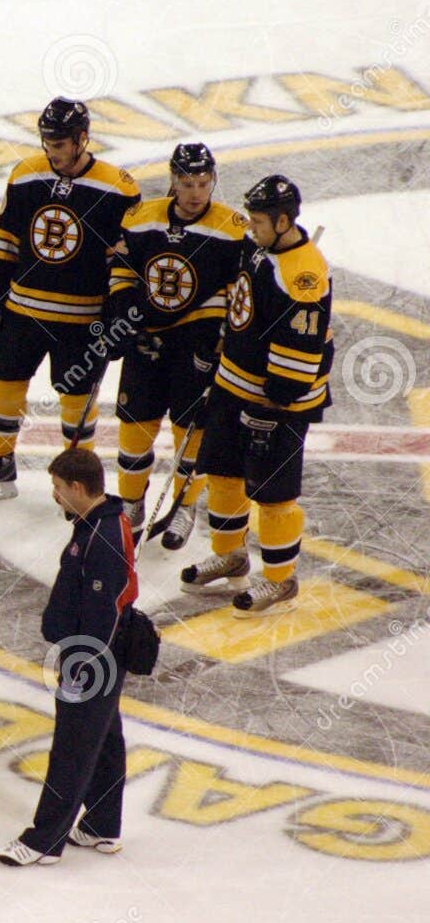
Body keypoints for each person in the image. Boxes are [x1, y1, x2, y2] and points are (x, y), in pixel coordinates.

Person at [0, 97, 140, 500]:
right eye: (47, 142)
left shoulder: (117, 187)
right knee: (4, 380)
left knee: (75, 397)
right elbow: (6, 239)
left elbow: (124, 259)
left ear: (82, 139)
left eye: (58, 143)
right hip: (23, 310)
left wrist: (119, 310)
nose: (50, 151)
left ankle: (78, 478)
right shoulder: (25, 175)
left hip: (81, 318)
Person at [180, 174, 333, 616]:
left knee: (273, 493)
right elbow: (242, 309)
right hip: (233, 385)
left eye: (260, 221)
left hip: (276, 402)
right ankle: (230, 554)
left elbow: (304, 342)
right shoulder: (259, 246)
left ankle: (280, 581)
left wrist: (276, 400)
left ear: (283, 221)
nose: (251, 227)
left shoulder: (302, 272)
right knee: (224, 473)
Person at [0, 448, 136, 866]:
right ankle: (102, 826)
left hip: (93, 660)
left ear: (77, 486)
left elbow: (101, 613)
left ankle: (41, 843)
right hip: (95, 655)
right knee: (105, 740)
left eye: (58, 487)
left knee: (71, 750)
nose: (54, 495)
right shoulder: (97, 523)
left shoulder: (103, 537)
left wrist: (83, 665)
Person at [106, 142, 246, 547]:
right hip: (147, 341)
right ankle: (131, 502)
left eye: (203, 182)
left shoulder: (232, 228)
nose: (196, 192)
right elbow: (122, 267)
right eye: (187, 183)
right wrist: (124, 311)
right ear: (173, 180)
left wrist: (216, 340)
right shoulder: (141, 218)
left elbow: (239, 291)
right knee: (135, 426)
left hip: (195, 344)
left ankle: (185, 505)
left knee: (192, 429)